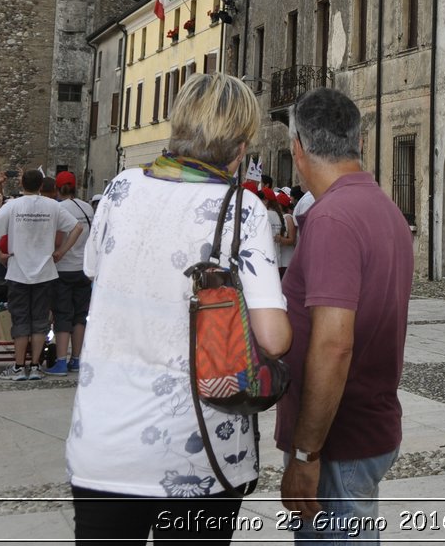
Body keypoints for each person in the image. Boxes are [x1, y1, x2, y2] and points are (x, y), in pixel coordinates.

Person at [66, 73, 290, 544]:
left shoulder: (120, 189)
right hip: (197, 449)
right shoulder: (241, 209)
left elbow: (95, 270)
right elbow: (273, 338)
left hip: (103, 444)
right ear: (242, 144)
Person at [276, 87, 412, 543]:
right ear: (359, 142)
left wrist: (305, 454)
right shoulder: (384, 208)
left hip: (338, 442)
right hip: (365, 425)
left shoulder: (333, 218)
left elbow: (334, 344)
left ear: (298, 148)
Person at [0, 169, 75, 381]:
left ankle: (18, 367)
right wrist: (61, 251)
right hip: (45, 270)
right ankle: (35, 366)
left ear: (22, 183)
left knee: (21, 318)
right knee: (40, 319)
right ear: (42, 185)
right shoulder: (53, 206)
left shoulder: (13, 205)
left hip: (18, 270)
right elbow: (76, 228)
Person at [48, 171, 94, 375]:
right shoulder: (87, 209)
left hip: (63, 268)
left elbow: (58, 241)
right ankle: (76, 359)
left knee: (62, 315)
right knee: (80, 315)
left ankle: (60, 361)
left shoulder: (58, 209)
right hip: (83, 268)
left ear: (57, 189)